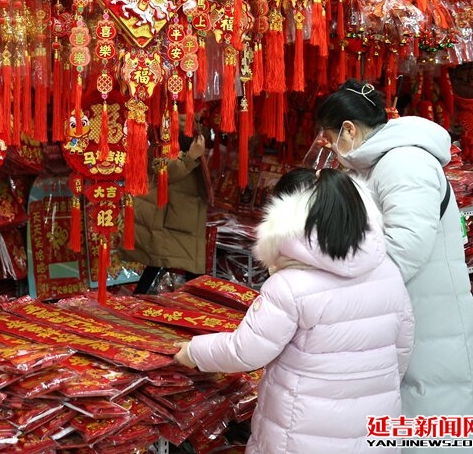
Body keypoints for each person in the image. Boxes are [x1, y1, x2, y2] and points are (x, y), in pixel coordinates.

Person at [175, 169, 414, 454]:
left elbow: (246, 351)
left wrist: (194, 352)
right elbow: (403, 347)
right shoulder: (389, 272)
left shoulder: (290, 286)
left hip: (301, 432)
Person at [315, 79, 473, 431]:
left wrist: (345, 294)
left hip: (428, 317)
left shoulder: (405, 162)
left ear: (349, 129)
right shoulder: (378, 163)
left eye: (330, 138)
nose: (330, 148)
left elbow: (405, 248)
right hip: (404, 310)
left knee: (432, 412)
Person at [123, 121, 208, 294]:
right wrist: (190, 157)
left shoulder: (189, 127)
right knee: (163, 262)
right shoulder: (166, 128)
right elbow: (161, 168)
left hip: (181, 212)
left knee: (162, 264)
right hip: (170, 213)